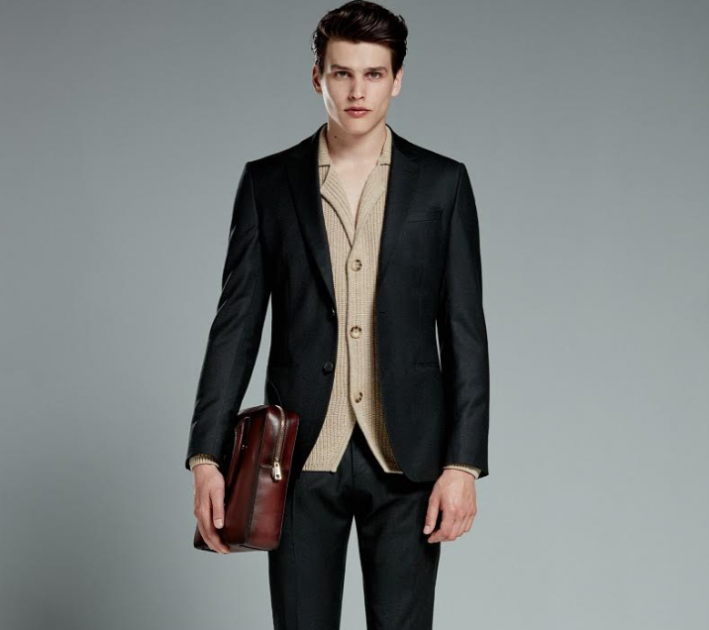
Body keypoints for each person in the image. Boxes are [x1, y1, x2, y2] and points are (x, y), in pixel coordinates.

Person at [185, 1, 490, 628]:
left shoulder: (443, 185)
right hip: (295, 462)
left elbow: (464, 331)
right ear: (317, 77)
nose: (357, 91)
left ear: (397, 79)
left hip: (408, 462)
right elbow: (235, 326)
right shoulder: (268, 184)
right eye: (342, 73)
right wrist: (206, 457)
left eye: (373, 74)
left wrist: (463, 465)